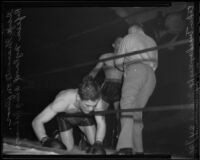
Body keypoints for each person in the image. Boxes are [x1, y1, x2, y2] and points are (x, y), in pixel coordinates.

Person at [32, 76, 106, 154]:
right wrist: (44, 139)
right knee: (66, 149)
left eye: (94, 106)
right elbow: (36, 121)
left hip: (84, 117)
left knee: (96, 147)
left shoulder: (98, 100)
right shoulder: (62, 101)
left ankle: (85, 138)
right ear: (78, 97)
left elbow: (101, 123)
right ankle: (58, 136)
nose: (91, 109)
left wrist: (99, 142)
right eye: (87, 105)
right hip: (65, 118)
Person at [114, 24, 158, 155]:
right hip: (151, 76)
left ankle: (125, 148)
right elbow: (155, 64)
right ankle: (139, 151)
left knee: (127, 106)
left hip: (135, 70)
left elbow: (118, 62)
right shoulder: (152, 41)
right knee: (137, 113)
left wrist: (124, 68)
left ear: (132, 30)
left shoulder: (129, 37)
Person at [88, 37, 123, 122]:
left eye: (123, 42)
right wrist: (86, 82)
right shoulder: (106, 56)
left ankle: (119, 134)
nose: (121, 44)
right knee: (99, 115)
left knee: (121, 116)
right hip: (107, 86)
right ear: (113, 45)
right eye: (119, 42)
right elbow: (95, 71)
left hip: (121, 87)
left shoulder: (127, 58)